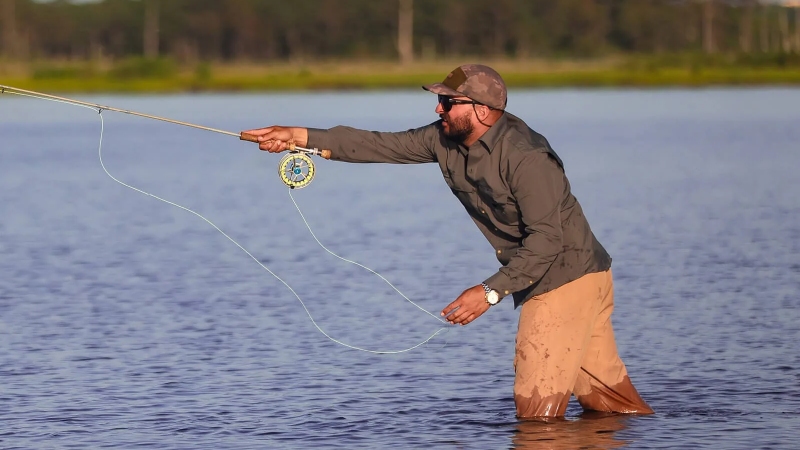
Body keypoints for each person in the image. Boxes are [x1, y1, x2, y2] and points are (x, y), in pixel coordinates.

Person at [242, 64, 654, 419]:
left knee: (537, 420)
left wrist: (489, 293)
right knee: (613, 407)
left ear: (480, 110)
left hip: (565, 279)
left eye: (448, 102)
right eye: (439, 100)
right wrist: (297, 135)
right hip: (574, 277)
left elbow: (547, 242)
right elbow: (379, 144)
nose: (438, 109)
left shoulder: (526, 157)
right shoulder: (444, 137)